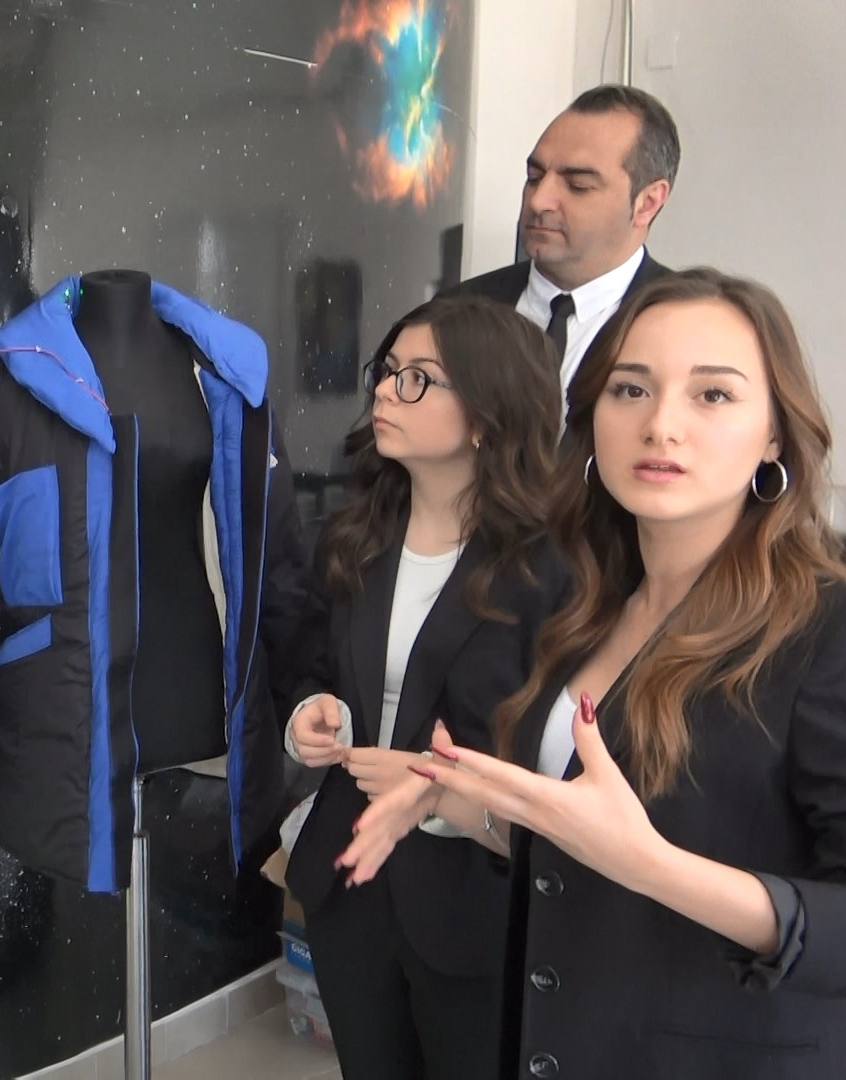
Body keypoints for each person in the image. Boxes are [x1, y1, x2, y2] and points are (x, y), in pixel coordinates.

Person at [342, 269, 846, 1078]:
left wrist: (653, 867)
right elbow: (579, 847)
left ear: (775, 434)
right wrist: (468, 805)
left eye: (713, 395)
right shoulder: (590, 609)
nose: (660, 425)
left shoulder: (835, 633)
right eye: (631, 390)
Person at [282, 294, 564, 1079]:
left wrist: (439, 789)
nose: (384, 391)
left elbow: (556, 755)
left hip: (474, 899)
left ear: (486, 416)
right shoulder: (355, 537)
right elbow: (310, 668)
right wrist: (311, 715)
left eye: (417, 379)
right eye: (387, 371)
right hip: (349, 884)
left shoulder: (550, 573)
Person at [449, 84, 679, 391]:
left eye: (577, 185)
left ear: (647, 203)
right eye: (534, 178)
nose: (538, 201)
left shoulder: (694, 327)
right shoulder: (453, 314)